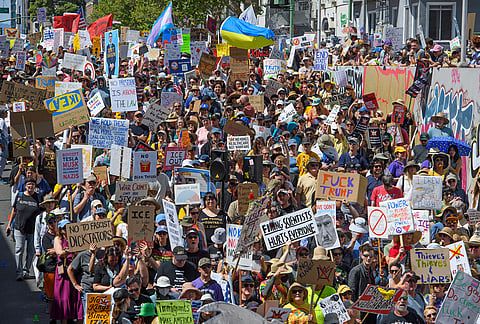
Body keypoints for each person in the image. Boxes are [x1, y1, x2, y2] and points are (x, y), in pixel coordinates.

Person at [6, 177, 41, 281]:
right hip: (19, 228)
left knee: (31, 251)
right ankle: (19, 271)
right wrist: (9, 224)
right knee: (19, 249)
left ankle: (26, 271)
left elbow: (42, 212)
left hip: (32, 229)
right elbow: (14, 210)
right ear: (25, 186)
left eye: (32, 184)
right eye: (28, 184)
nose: (30, 186)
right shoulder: (20, 196)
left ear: (35, 186)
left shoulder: (38, 197)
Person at [51, 219, 83, 323]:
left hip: (75, 271)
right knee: (64, 298)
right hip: (64, 273)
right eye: (64, 228)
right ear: (60, 229)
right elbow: (59, 253)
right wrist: (67, 251)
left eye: (69, 227)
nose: (67, 230)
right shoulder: (58, 239)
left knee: (76, 297)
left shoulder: (75, 238)